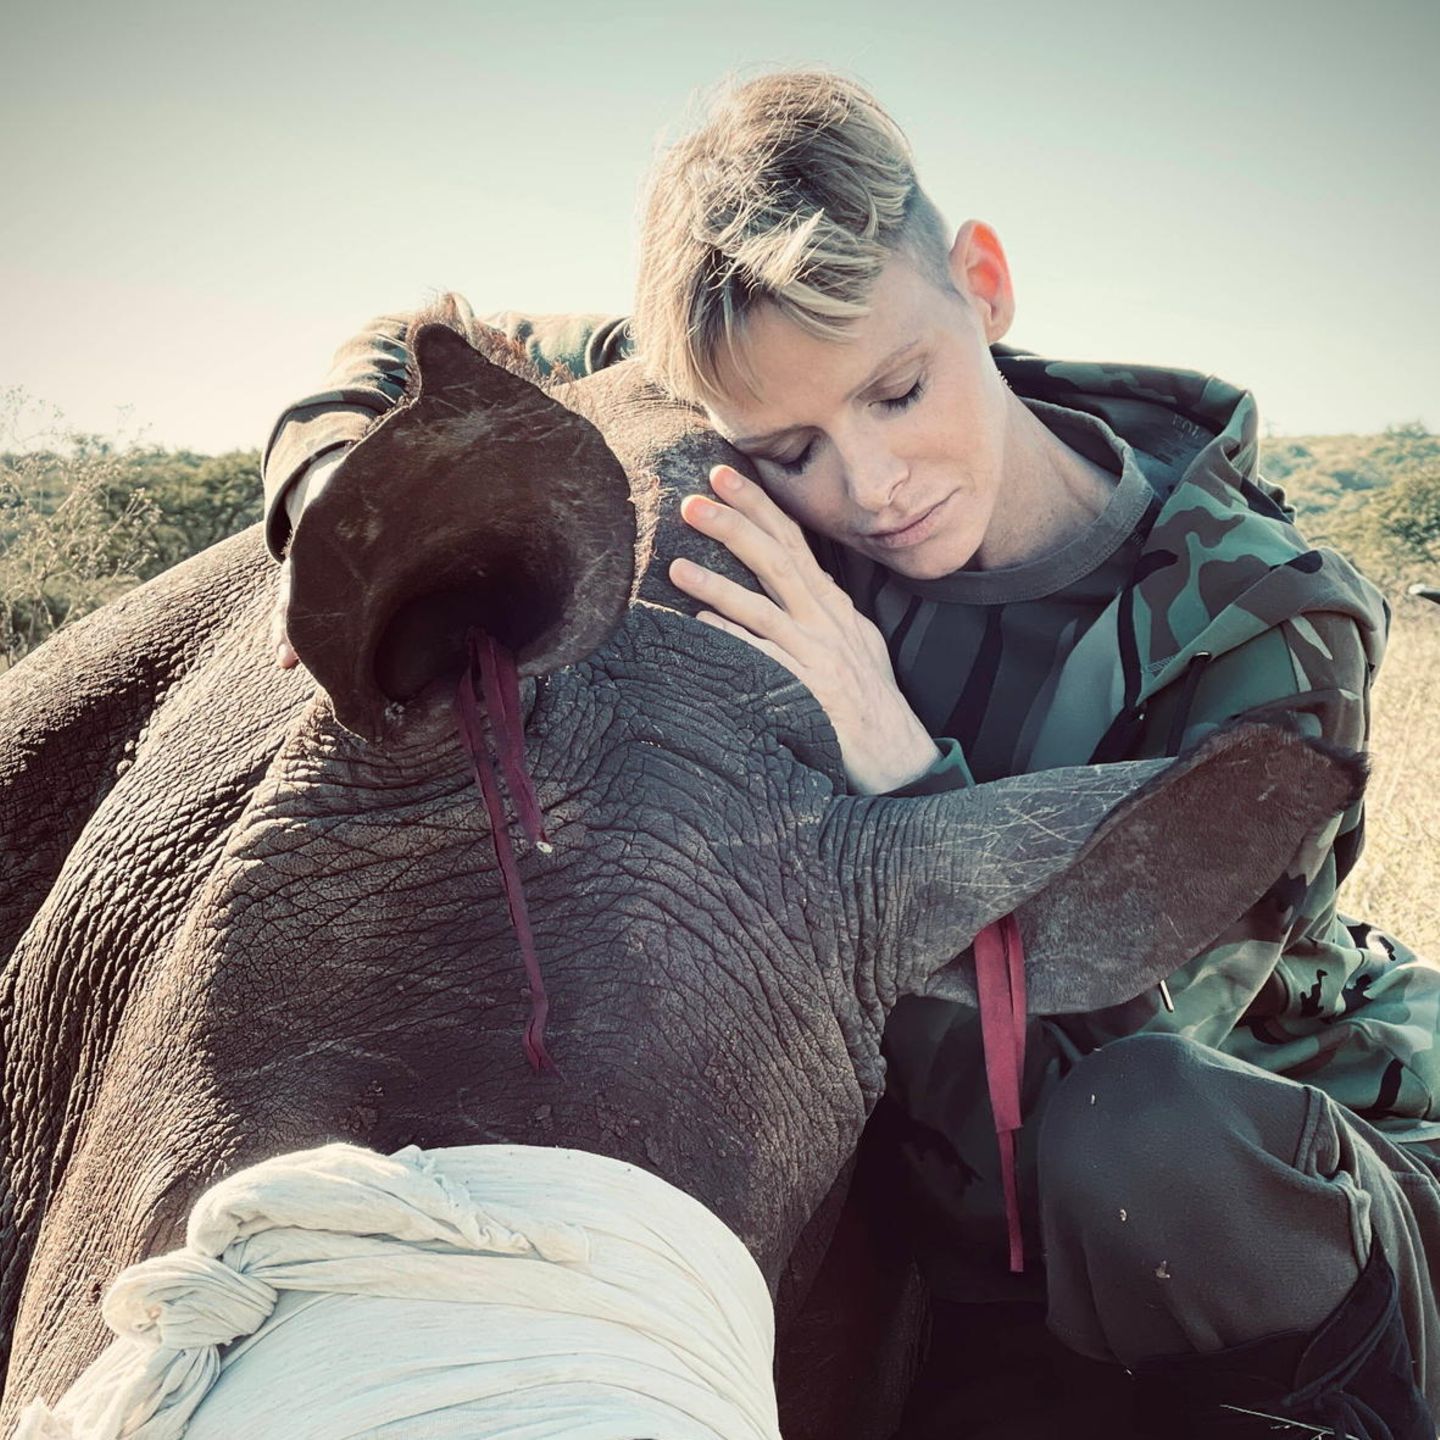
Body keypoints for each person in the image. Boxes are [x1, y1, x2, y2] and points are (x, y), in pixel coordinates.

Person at [260, 69, 1440, 1438]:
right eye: (792, 448)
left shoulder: (1268, 628)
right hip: (950, 1164)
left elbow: (1067, 1111)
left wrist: (900, 771)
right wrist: (334, 498)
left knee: (1147, 1145)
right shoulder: (757, 359)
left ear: (983, 283)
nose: (869, 484)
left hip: (1266, 1173)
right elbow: (425, 347)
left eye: (899, 390)